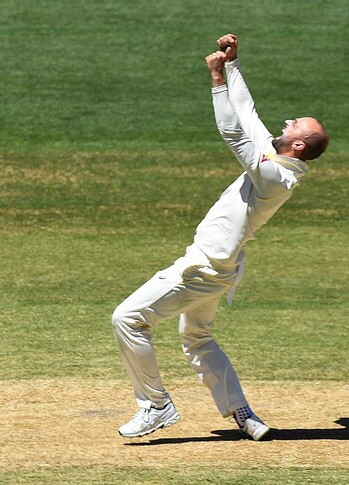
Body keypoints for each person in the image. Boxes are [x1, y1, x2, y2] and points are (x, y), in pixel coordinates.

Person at [111, 33, 329, 440]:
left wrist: (215, 80)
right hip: (220, 269)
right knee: (198, 337)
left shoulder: (275, 177)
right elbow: (246, 112)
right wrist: (232, 65)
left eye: (295, 124)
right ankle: (244, 414)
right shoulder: (275, 157)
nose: (286, 122)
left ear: (298, 144)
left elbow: (233, 134)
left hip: (202, 269)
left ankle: (155, 406)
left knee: (127, 319)